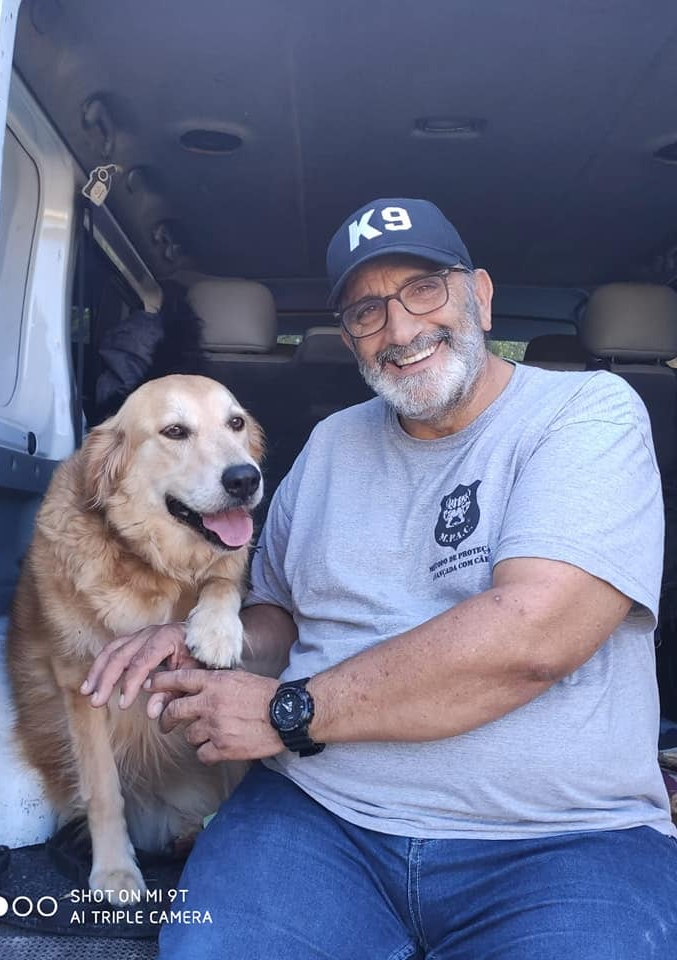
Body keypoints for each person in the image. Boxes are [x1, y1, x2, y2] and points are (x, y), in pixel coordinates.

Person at [82, 198, 677, 958]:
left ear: (481, 295)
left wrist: (288, 713)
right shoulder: (331, 445)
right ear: (349, 335)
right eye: (367, 311)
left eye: (424, 288)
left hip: (562, 841)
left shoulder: (586, 413)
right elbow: (280, 620)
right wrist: (202, 647)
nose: (399, 330)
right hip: (323, 819)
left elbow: (537, 632)